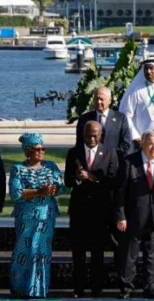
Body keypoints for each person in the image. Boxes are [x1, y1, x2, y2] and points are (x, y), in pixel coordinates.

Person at [65, 121, 119, 298]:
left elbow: (113, 180)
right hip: (79, 209)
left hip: (100, 210)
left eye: (95, 135)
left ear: (101, 134)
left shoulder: (110, 152)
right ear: (83, 134)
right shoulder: (74, 152)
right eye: (88, 135)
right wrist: (79, 179)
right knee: (78, 252)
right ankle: (78, 288)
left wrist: (93, 178)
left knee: (98, 252)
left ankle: (97, 288)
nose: (92, 138)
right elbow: (67, 181)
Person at [116, 130, 154, 300]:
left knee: (151, 256)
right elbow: (119, 192)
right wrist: (121, 216)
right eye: (150, 143)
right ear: (143, 144)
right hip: (133, 217)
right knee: (129, 256)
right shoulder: (129, 162)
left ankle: (151, 288)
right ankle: (127, 289)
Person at [9, 133, 61, 299]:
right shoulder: (18, 169)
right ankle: (21, 288)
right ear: (27, 151)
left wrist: (54, 189)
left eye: (42, 149)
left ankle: (39, 289)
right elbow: (16, 194)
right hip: (26, 217)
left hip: (46, 216)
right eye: (36, 149)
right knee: (25, 250)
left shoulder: (51, 166)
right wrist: (39, 191)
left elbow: (61, 187)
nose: (41, 152)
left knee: (42, 251)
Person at [119, 59, 154, 148]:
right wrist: (135, 136)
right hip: (142, 140)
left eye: (151, 68)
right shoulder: (135, 90)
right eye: (146, 69)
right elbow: (125, 114)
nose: (148, 71)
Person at [76, 85, 133, 158]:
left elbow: (126, 143)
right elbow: (80, 144)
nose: (98, 102)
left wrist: (109, 157)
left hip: (114, 163)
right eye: (96, 99)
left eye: (101, 99)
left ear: (109, 100)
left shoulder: (120, 119)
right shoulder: (84, 119)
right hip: (90, 163)